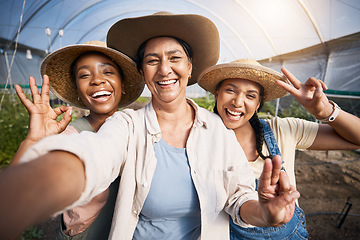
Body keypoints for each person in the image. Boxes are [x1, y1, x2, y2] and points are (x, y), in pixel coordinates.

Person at [0, 13, 299, 240]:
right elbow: (93, 156)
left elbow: (239, 197)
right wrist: (21, 190)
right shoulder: (126, 124)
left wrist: (263, 212)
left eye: (175, 58)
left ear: (190, 66)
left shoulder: (217, 130)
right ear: (142, 71)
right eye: (152, 60)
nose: (165, 69)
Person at [197, 59, 360, 239]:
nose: (237, 102)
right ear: (216, 94)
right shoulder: (198, 139)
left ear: (258, 104)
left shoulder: (283, 129)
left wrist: (326, 112)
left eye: (250, 96)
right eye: (230, 90)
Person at [11, 41, 144, 239]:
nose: (97, 80)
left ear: (122, 85)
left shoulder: (138, 130)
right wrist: (32, 141)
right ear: (78, 92)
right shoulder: (71, 137)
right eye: (84, 75)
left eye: (107, 72)